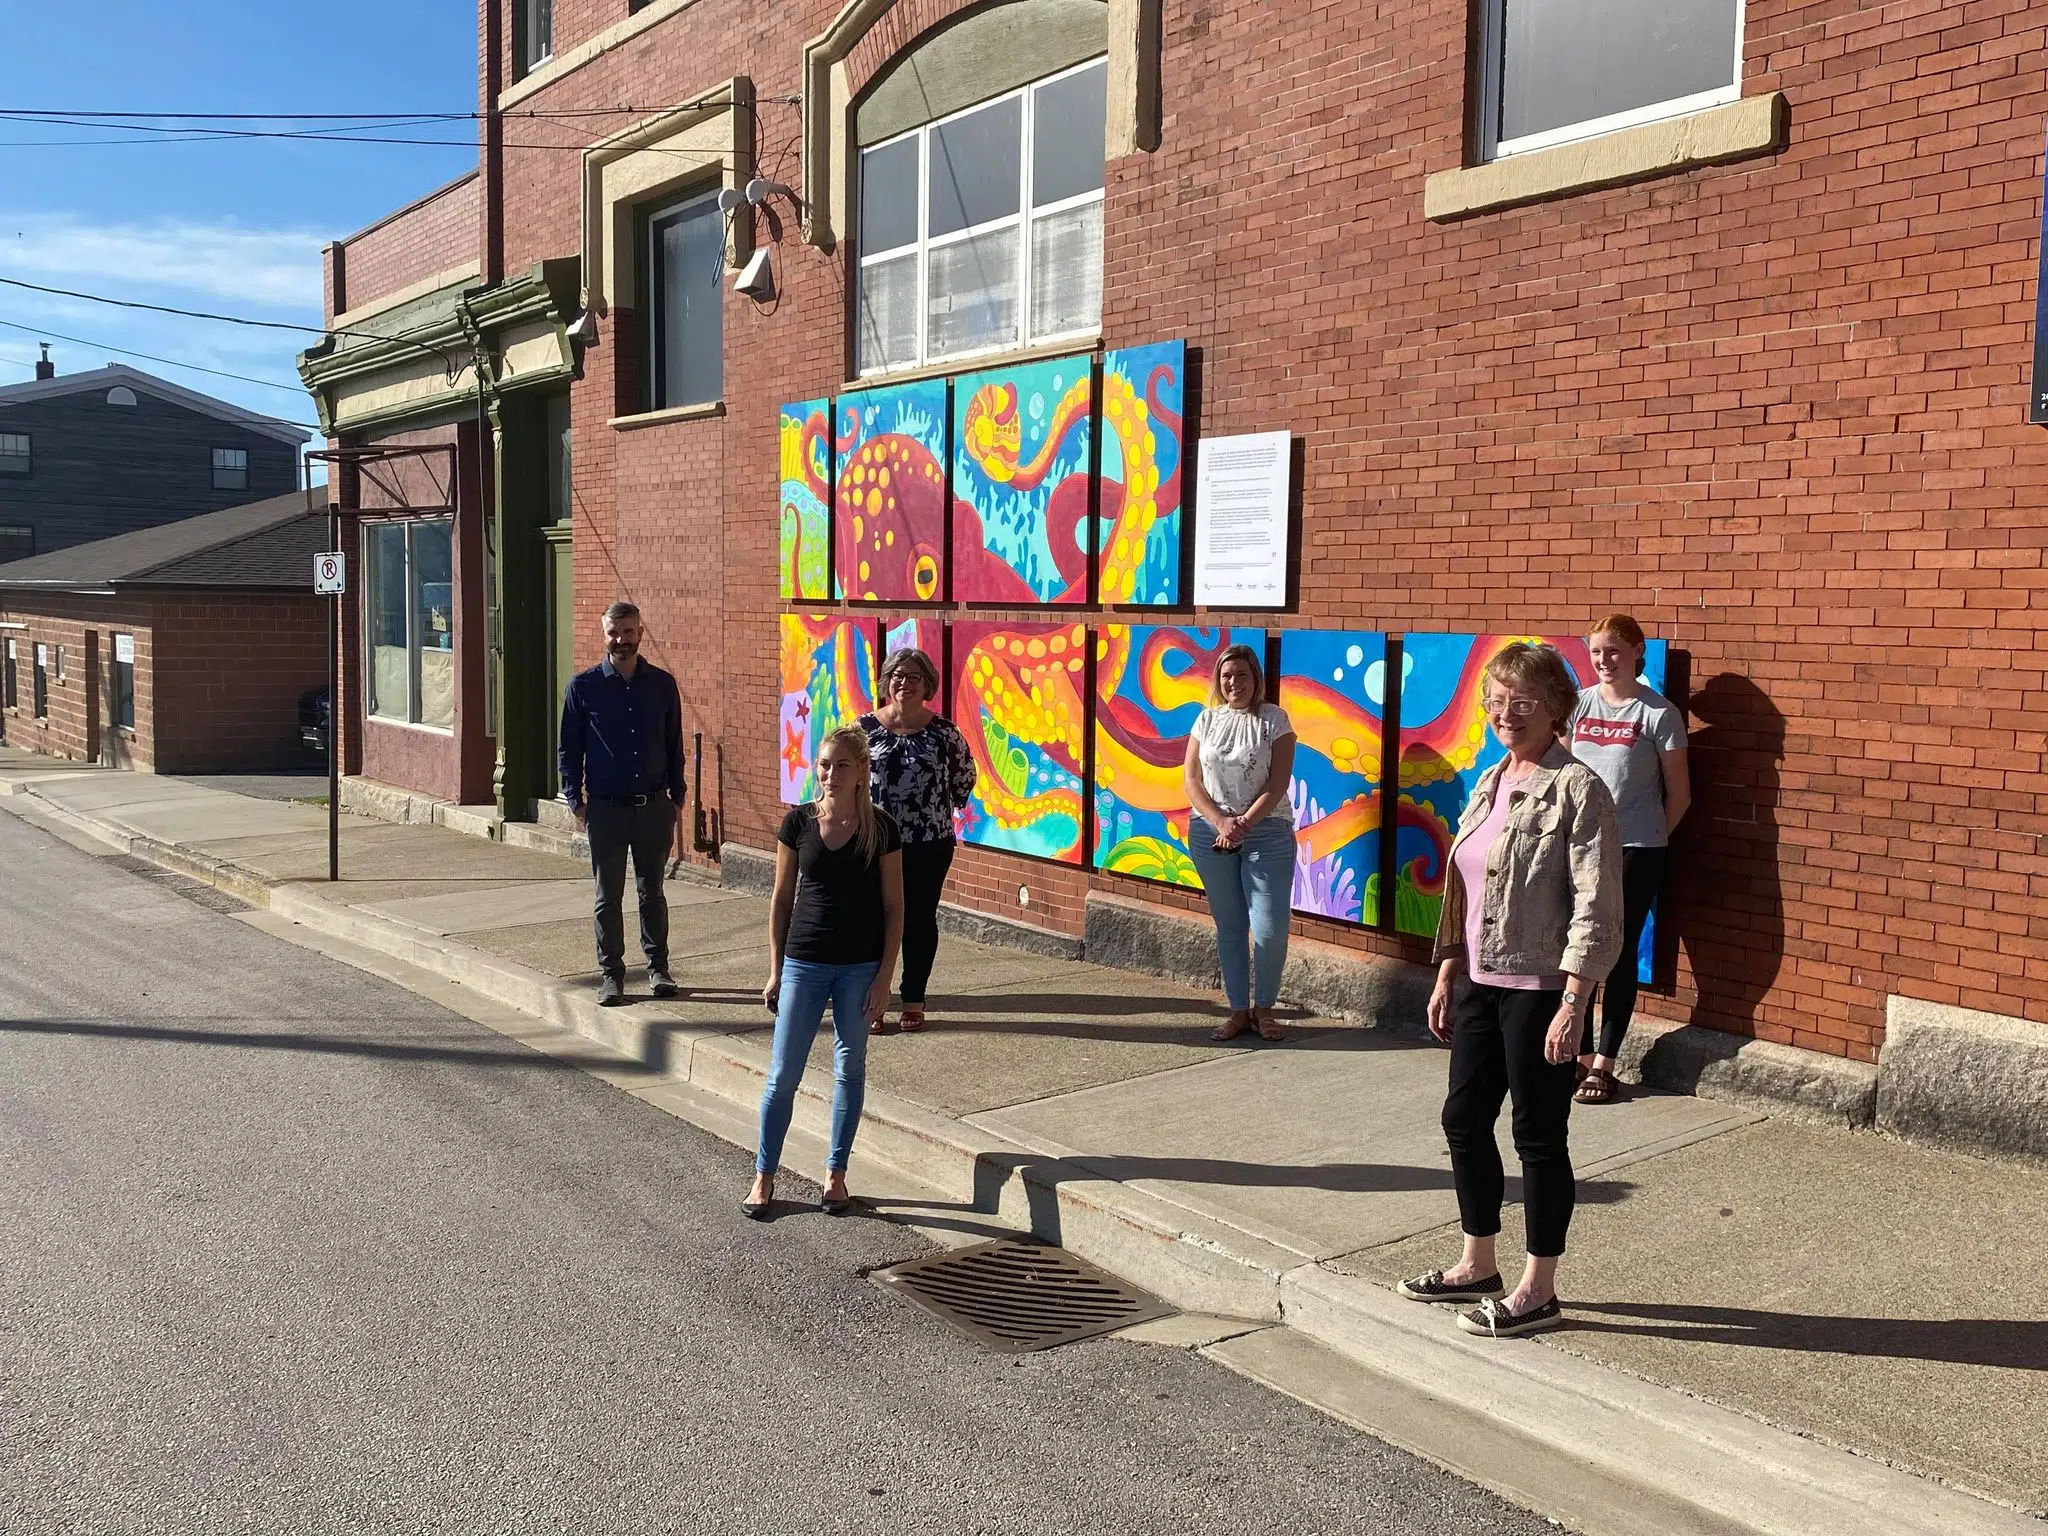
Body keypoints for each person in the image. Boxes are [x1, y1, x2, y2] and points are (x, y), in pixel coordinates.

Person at [1401, 642, 1621, 1338]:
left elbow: (1597, 906)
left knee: (1538, 1137)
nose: (1506, 713)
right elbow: (1466, 884)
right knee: (1463, 1121)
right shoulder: (1492, 778)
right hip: (1477, 983)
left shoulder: (1580, 789)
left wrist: (1575, 1002)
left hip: (1539, 990)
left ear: (1556, 707)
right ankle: (1477, 1262)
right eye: (1496, 702)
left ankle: (1539, 1288)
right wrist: (1447, 969)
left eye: (1522, 701)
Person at [747, 727, 904, 1220]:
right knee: (782, 1075)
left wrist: (884, 978)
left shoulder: (881, 829)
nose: (830, 774)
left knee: (849, 1069)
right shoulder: (797, 824)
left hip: (859, 968)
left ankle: (835, 1174)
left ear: (861, 773)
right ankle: (764, 1176)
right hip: (804, 962)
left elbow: (894, 908)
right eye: (824, 764)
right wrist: (775, 971)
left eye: (841, 765)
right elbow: (780, 900)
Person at [1568, 614, 1690, 1105]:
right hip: (1580, 847)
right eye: (1597, 652)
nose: (1604, 661)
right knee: (1577, 947)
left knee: (1616, 954)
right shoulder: (1578, 705)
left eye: (1615, 651)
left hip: (1637, 849)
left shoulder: (1659, 714)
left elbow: (1679, 795)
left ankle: (1605, 1063)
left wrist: (1647, 837)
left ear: (1638, 651)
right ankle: (1574, 1051)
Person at [558, 600, 684, 1008]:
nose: (621, 640)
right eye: (614, 633)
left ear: (640, 633)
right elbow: (568, 749)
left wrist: (677, 797)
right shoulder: (583, 687)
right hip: (606, 811)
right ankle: (611, 975)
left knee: (653, 894)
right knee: (607, 897)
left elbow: (674, 745)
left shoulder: (662, 685)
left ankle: (658, 969)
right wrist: (575, 799)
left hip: (652, 808)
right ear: (604, 634)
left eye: (628, 632)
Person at [1182, 643, 1298, 1043]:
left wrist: (1243, 823)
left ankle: (1264, 1008)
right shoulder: (1206, 720)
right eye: (1227, 676)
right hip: (1210, 832)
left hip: (1266, 831)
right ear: (1218, 680)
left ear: (1256, 680)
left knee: (1269, 929)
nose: (1234, 683)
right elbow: (1192, 780)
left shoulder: (1274, 721)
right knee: (1230, 926)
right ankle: (1237, 1011)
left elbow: (1278, 781)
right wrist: (1220, 822)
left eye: (1242, 675)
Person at [860, 648, 976, 1034]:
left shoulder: (944, 733)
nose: (903, 682)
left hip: (929, 842)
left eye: (913, 676)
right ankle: (874, 1000)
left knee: (919, 920)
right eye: (896, 674)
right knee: (872, 919)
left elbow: (963, 780)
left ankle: (913, 1000)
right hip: (874, 842)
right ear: (885, 681)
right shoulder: (862, 730)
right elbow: (841, 777)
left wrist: (937, 807)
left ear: (927, 684)